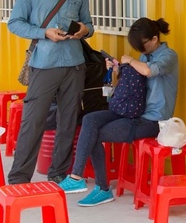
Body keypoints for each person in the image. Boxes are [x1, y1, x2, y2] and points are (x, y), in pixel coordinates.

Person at [57, 18, 179, 206]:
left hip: (153, 121)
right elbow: (134, 85)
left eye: (142, 46)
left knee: (94, 135)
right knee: (90, 120)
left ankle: (101, 188)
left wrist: (130, 61)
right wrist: (117, 70)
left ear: (155, 39)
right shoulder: (145, 56)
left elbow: (148, 72)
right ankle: (76, 177)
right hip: (133, 111)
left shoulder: (168, 56)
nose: (140, 51)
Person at [7, 0, 94, 186]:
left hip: (74, 64)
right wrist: (44, 32)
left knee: (68, 120)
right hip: (43, 64)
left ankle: (58, 173)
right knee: (33, 121)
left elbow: (90, 26)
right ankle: (19, 178)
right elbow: (14, 23)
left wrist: (84, 30)